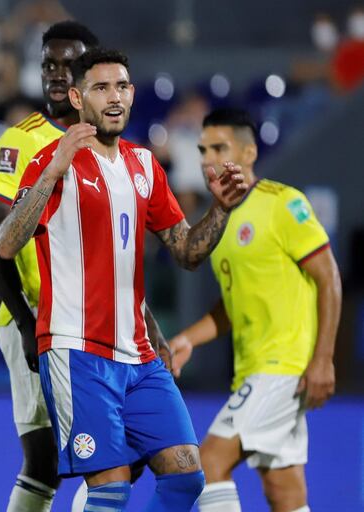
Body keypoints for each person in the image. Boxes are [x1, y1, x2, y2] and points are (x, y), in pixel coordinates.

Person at [0, 47, 248, 511]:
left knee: (187, 475)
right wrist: (54, 169)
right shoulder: (54, 162)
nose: (114, 97)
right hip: (77, 352)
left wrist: (221, 210)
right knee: (110, 488)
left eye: (122, 86)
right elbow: (7, 243)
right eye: (101, 87)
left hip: (139, 356)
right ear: (77, 97)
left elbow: (187, 252)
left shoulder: (144, 165)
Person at [0, 22, 172, 512]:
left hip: (110, 328)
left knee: (133, 454)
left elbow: (121, 248)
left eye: (67, 64)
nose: (55, 73)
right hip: (43, 321)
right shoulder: (20, 141)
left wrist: (149, 325)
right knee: (44, 463)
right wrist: (24, 323)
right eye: (48, 64)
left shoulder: (119, 149)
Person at [169, 108, 342, 512]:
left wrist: (324, 359)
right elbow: (232, 304)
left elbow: (329, 278)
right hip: (256, 369)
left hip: (283, 367)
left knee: (209, 462)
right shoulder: (218, 221)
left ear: (248, 153)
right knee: (284, 492)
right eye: (202, 149)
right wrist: (188, 339)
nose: (208, 158)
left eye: (219, 148)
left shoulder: (283, 204)